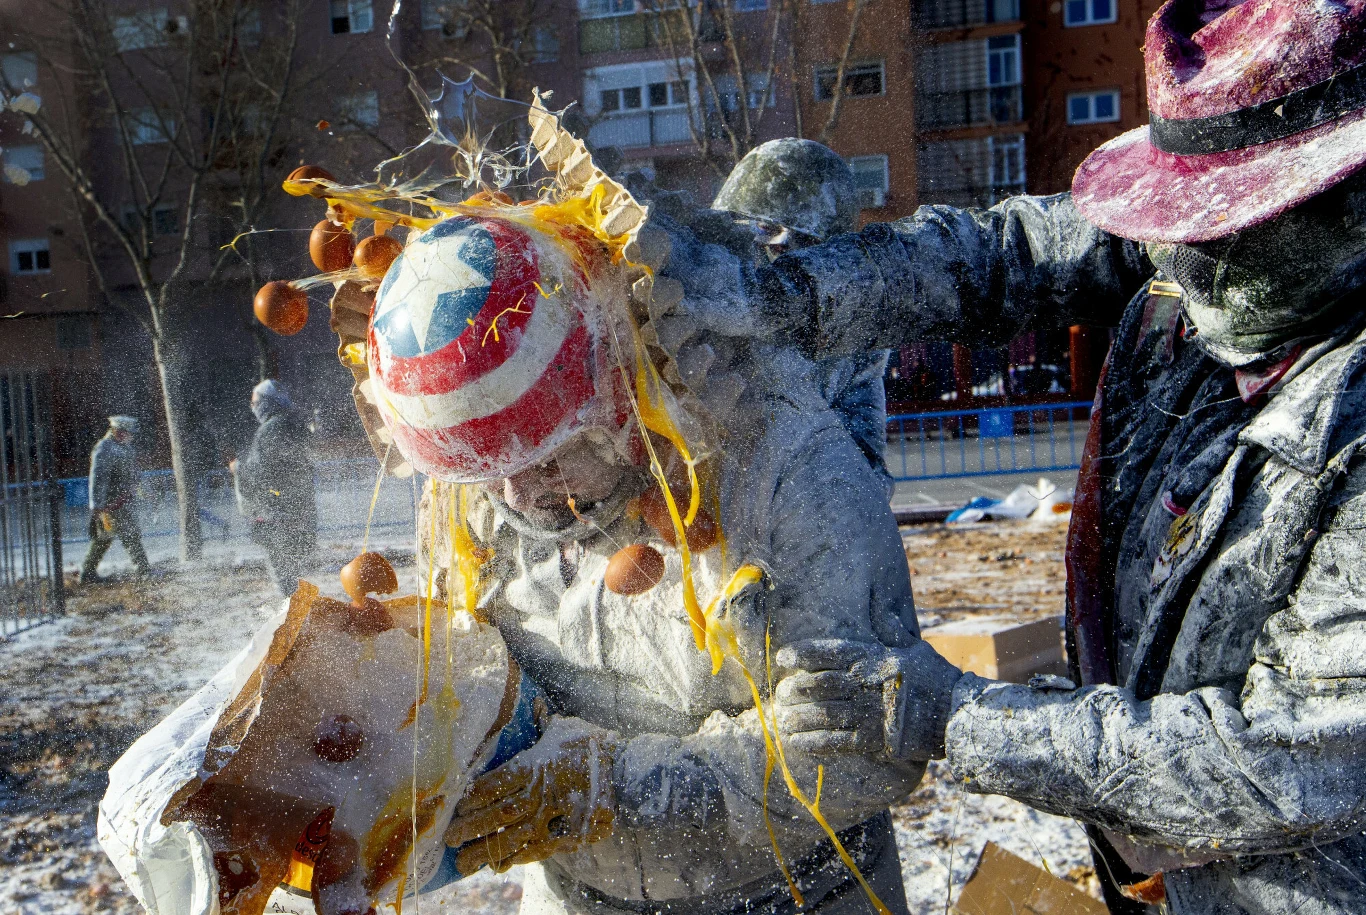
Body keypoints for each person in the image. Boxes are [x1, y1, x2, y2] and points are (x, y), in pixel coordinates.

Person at [713, 2, 1366, 912]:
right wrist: (777, 292)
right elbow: (998, 259)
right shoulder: (1194, 259)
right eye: (1180, 227)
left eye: (1233, 228)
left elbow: (1274, 756)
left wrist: (957, 720)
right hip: (1164, 871)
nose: (1187, 264)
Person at [335, 204, 938, 914]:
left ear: (614, 387)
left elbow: (870, 743)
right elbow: (477, 674)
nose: (514, 492)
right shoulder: (485, 484)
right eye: (479, 471)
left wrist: (619, 793)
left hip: (800, 894)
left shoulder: (785, 465)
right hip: (575, 896)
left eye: (547, 458)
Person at [711, 139, 893, 484]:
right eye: (761, 231)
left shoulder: (851, 343)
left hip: (789, 517)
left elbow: (867, 481)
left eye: (800, 240)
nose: (775, 248)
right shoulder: (696, 299)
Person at [231, 379, 316, 596]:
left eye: (256, 402)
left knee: (282, 568)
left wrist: (238, 469)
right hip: (300, 506)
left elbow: (262, 473)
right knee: (293, 565)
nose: (253, 407)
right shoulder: (297, 424)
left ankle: (291, 611)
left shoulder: (270, 429)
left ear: (268, 403)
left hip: (276, 509)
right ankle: (297, 606)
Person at [79, 415, 151, 584]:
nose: (131, 436)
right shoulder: (104, 448)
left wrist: (142, 488)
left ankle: (88, 572)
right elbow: (98, 478)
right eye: (128, 433)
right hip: (112, 503)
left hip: (123, 500)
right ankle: (143, 571)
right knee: (130, 535)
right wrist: (96, 506)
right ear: (118, 431)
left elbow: (133, 471)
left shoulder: (125, 448)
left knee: (103, 538)